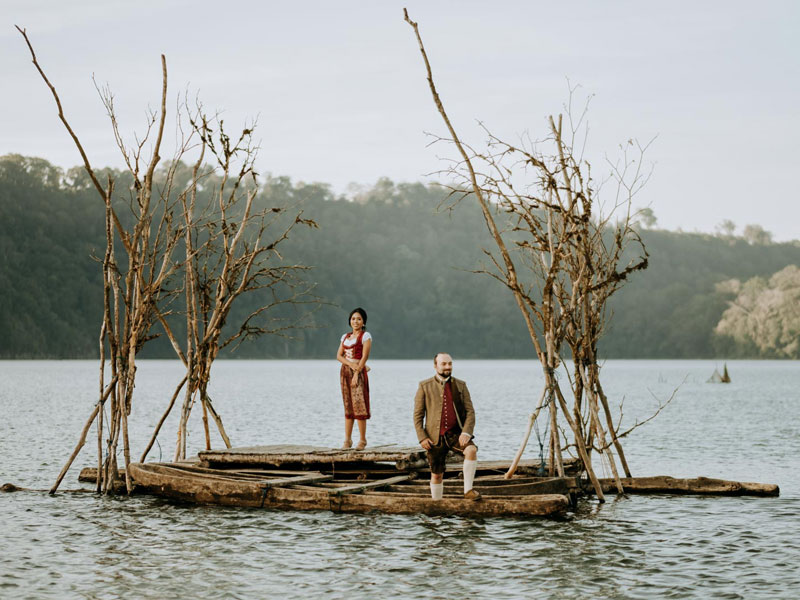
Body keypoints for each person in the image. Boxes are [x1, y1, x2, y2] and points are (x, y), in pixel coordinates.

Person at [413, 353, 481, 501]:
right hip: (433, 438)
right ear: (435, 365)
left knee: (471, 450)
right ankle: (437, 504)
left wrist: (466, 432)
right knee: (437, 474)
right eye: (443, 364)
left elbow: (470, 412)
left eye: (450, 363)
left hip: (456, 434)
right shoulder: (424, 386)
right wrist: (422, 437)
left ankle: (468, 491)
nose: (448, 367)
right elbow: (418, 416)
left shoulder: (460, 385)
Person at [336, 307, 372, 450]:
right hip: (345, 371)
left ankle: (362, 440)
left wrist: (357, 373)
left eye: (358, 319)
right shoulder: (345, 337)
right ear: (349, 321)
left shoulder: (365, 336)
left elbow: (364, 357)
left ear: (363, 322)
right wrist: (349, 364)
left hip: (358, 371)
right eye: (353, 319)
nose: (355, 321)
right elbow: (339, 355)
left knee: (359, 405)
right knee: (348, 405)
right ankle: (347, 440)